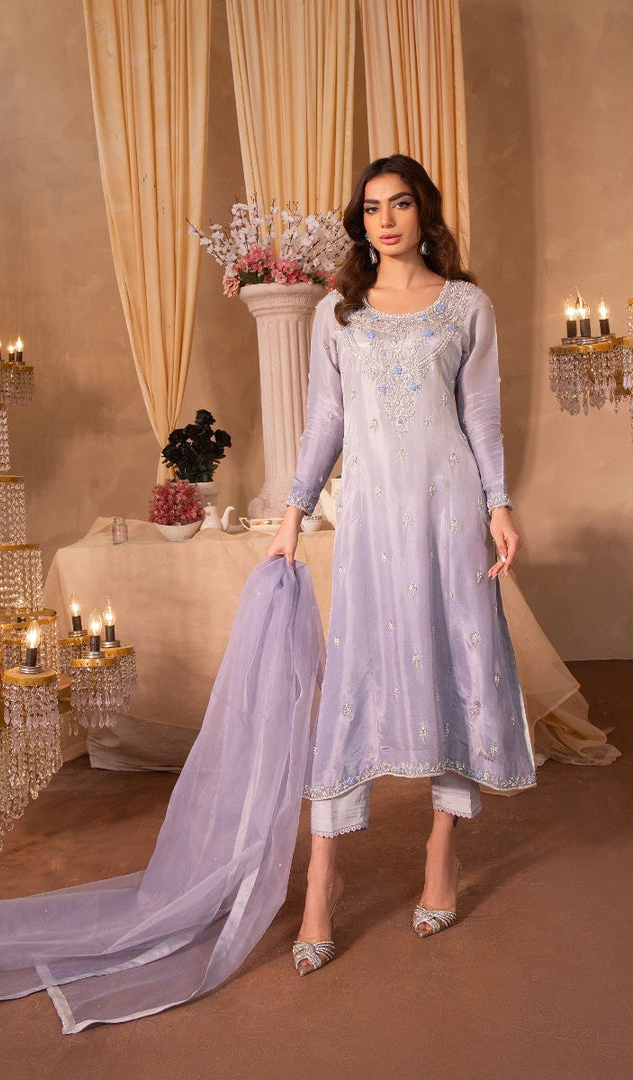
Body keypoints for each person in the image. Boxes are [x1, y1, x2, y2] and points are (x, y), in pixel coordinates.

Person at [265, 154, 537, 975]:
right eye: (372, 207)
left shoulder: (467, 306)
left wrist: (498, 506)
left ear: (425, 213)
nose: (385, 220)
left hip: (450, 511)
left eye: (401, 203)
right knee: (355, 678)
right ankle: (322, 879)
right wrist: (292, 514)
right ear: (361, 221)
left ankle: (441, 851)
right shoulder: (338, 314)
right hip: (372, 520)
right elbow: (324, 422)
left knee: (454, 663)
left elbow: (481, 416)